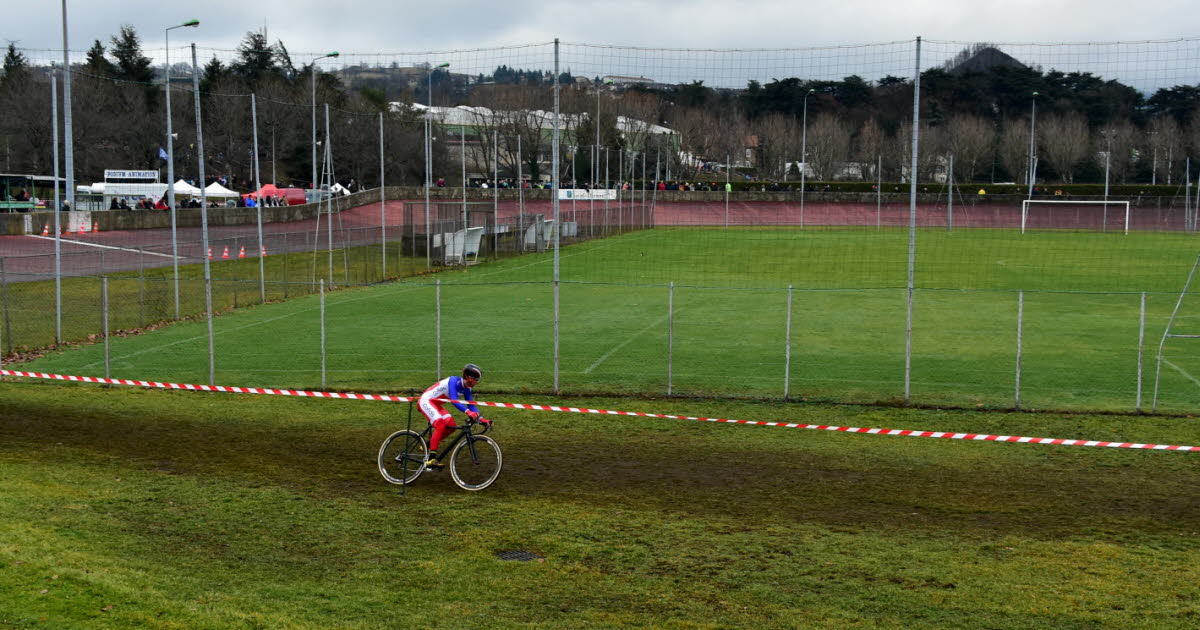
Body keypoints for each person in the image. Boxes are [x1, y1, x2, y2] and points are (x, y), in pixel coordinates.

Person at [418, 363, 489, 469]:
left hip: (436, 404)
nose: (477, 382)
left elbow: (471, 405)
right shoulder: (453, 381)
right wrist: (468, 412)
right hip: (426, 401)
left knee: (451, 426)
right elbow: (454, 400)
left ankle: (428, 444)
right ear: (469, 378)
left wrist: (481, 419)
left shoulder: (467, 389)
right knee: (440, 424)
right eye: (476, 379)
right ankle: (431, 459)